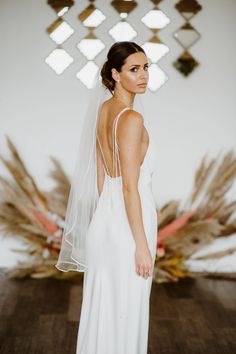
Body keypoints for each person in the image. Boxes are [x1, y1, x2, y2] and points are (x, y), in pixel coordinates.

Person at [56, 41, 158, 354]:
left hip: (107, 219)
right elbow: (129, 186)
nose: (143, 76)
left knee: (105, 307)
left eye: (145, 68)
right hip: (130, 224)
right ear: (115, 74)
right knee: (127, 308)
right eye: (134, 69)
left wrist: (108, 216)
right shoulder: (131, 119)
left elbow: (102, 176)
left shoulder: (104, 111)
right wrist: (140, 245)